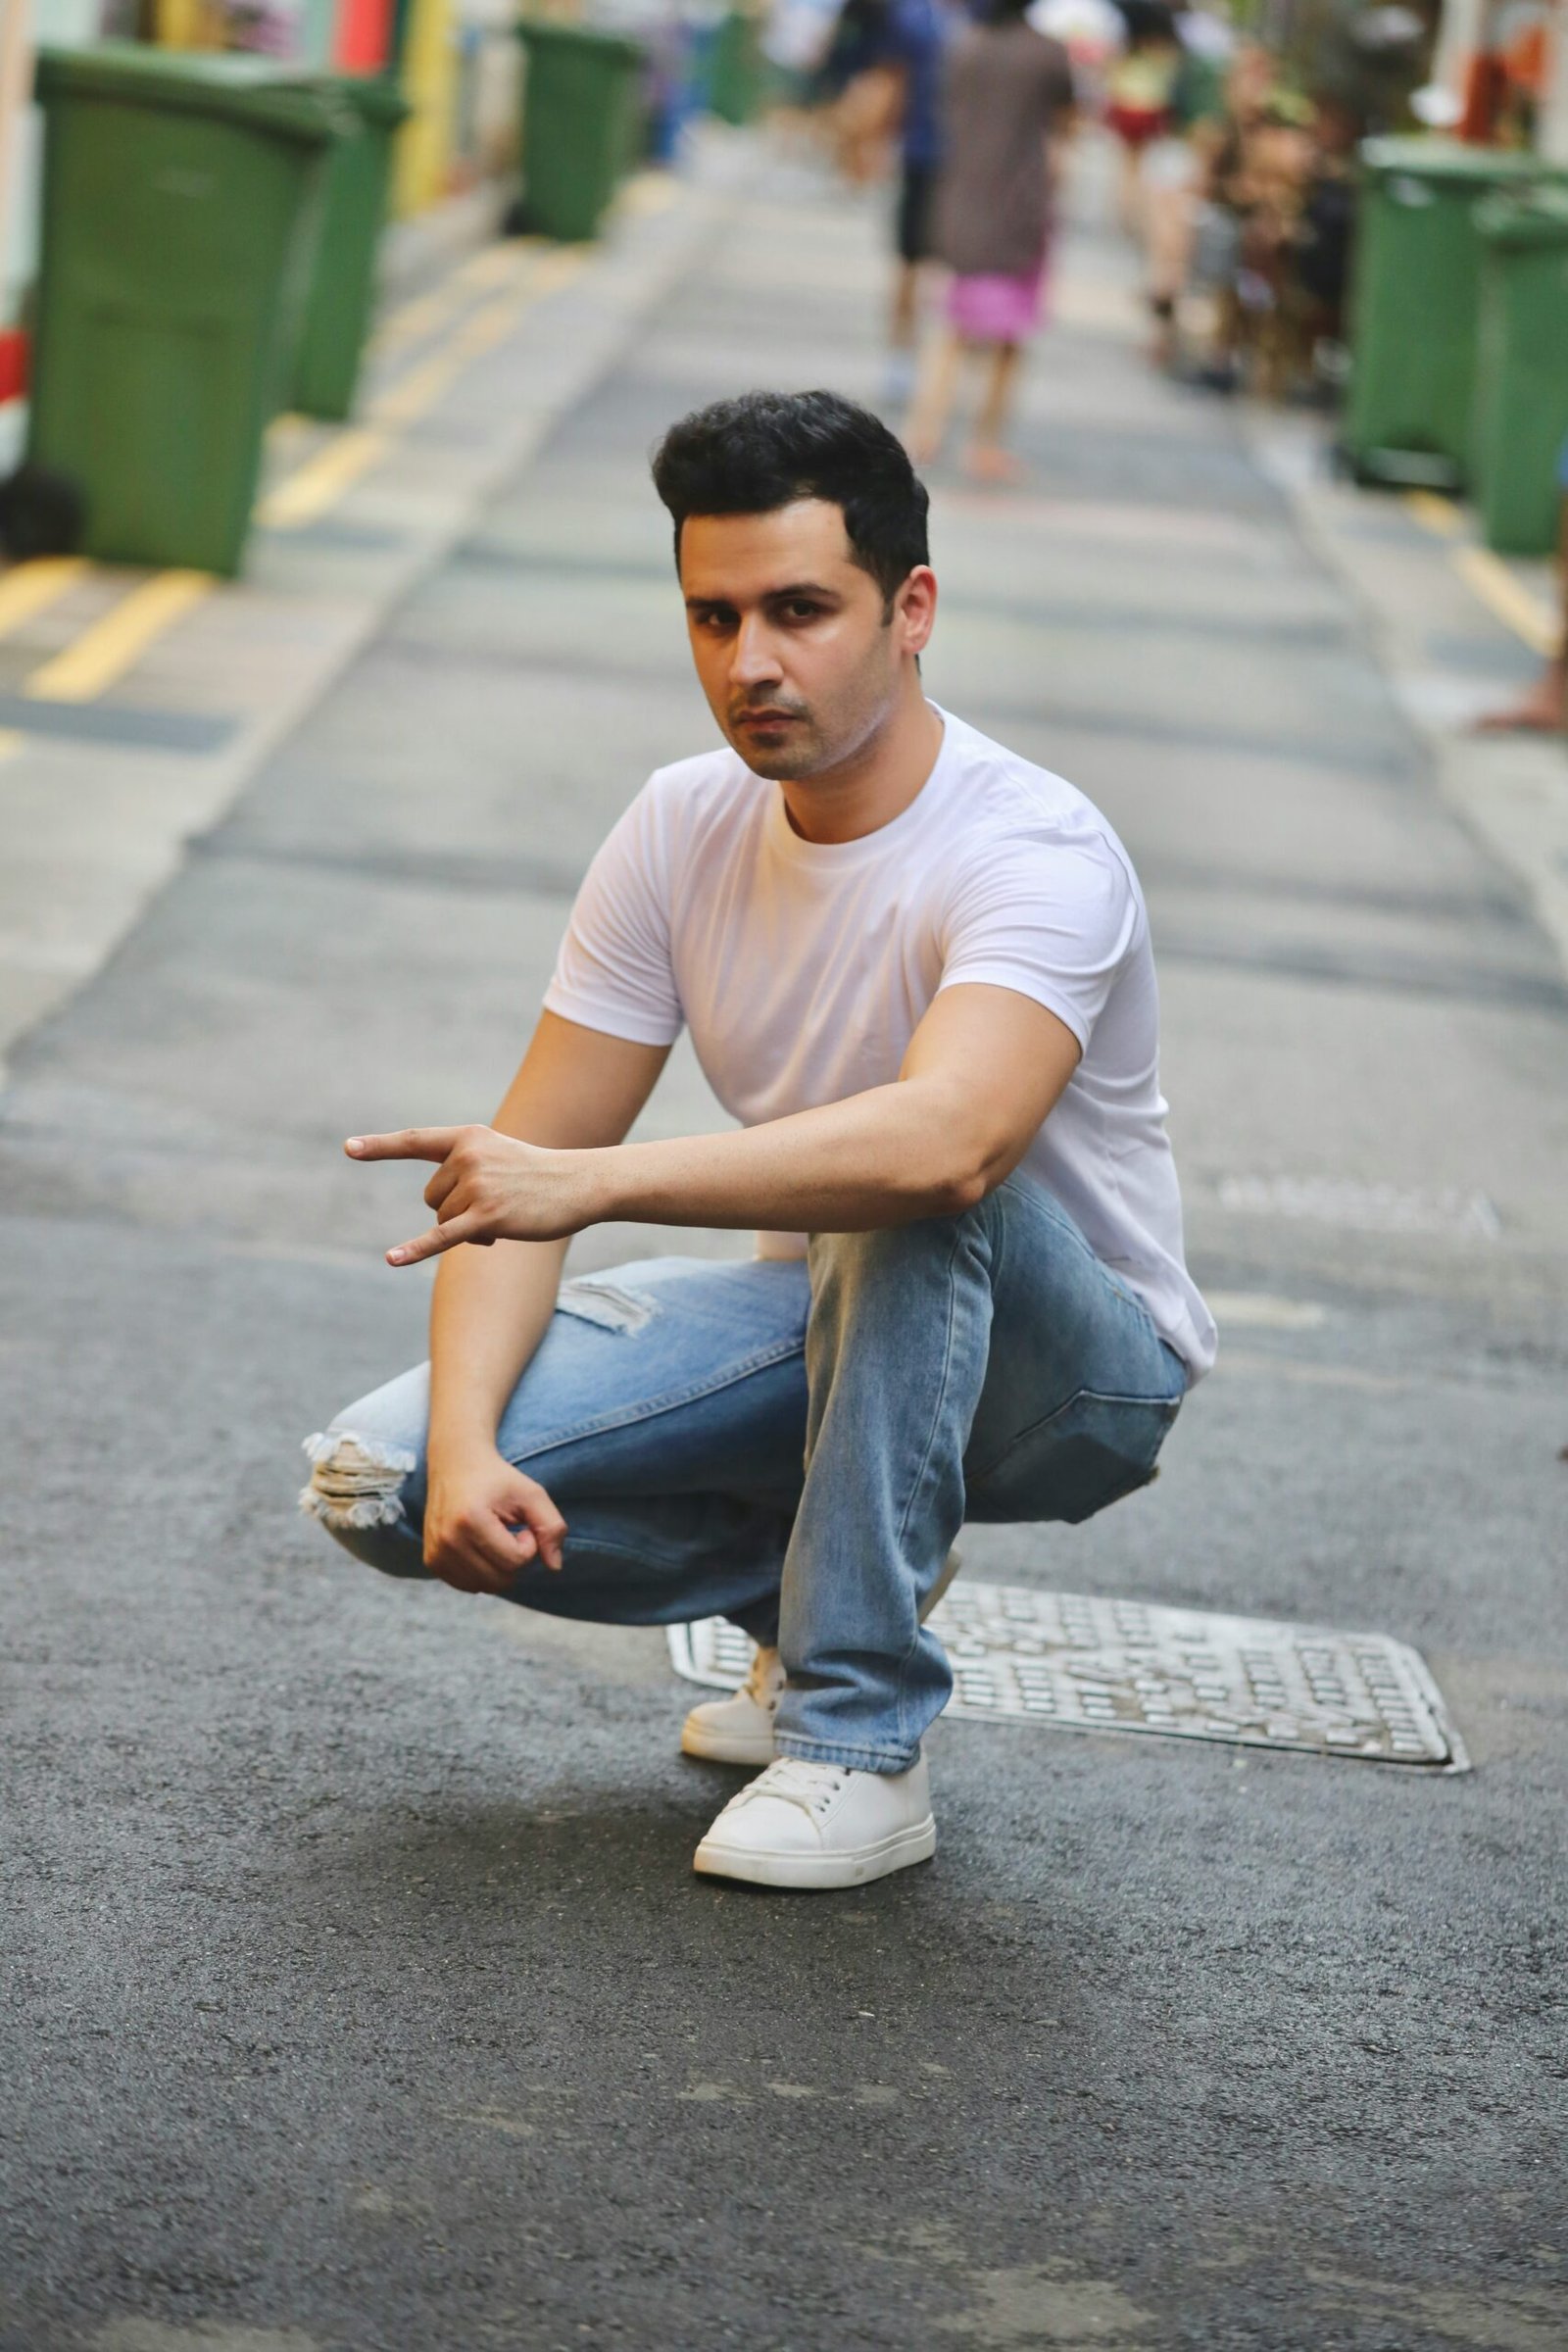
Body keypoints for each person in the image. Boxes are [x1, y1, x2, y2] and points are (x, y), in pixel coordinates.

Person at [303, 391, 1215, 1892]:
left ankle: (860, 1737)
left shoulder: (1031, 848)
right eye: (712, 618)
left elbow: (949, 1148)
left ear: (911, 608)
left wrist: (590, 1186)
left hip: (1078, 1374)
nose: (752, 663)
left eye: (801, 610)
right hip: (838, 1324)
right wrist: (467, 1448)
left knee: (902, 1179)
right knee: (384, 1483)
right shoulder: (680, 826)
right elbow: (526, 1163)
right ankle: (805, 1618)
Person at [904, 0, 1075, 479]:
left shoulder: (963, 47)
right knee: (1008, 336)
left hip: (962, 199)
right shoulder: (1047, 55)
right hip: (1021, 205)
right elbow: (1066, 125)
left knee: (952, 326)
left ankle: (925, 428)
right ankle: (986, 441)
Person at [879, 0, 952, 404]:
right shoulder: (912, 16)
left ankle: (942, 362)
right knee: (909, 261)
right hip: (921, 154)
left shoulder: (985, 14)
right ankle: (902, 353)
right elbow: (894, 79)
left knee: (957, 268)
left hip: (974, 165)